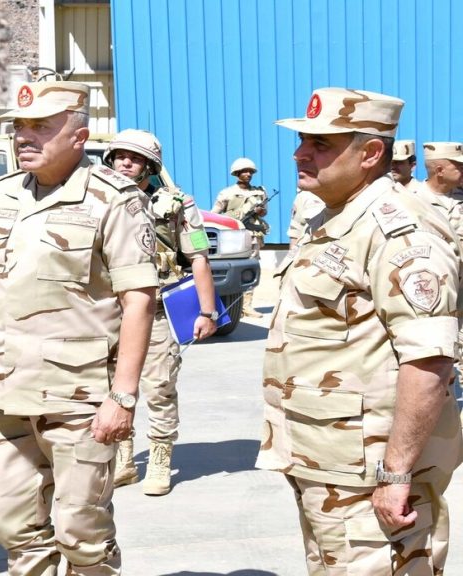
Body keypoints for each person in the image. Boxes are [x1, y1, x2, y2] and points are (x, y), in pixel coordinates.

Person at [0, 80, 158, 575]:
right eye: (19, 127)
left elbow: (139, 300)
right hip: (9, 389)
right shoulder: (3, 193)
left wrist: (124, 397)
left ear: (79, 136)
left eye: (41, 126)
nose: (24, 136)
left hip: (80, 397)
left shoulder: (114, 199)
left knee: (82, 533)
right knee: (12, 526)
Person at [257, 87, 463, 574]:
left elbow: (429, 360)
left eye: (320, 144)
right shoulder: (333, 216)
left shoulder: (400, 231)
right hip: (327, 459)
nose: (300, 153)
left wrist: (396, 474)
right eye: (302, 140)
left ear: (370, 153)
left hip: (370, 471)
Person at [102, 129, 217, 495]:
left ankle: (160, 458)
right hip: (108, 310)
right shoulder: (96, 198)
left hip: (157, 310)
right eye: (120, 156)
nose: (125, 162)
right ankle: (123, 458)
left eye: (135, 158)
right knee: (111, 385)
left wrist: (208, 311)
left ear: (150, 166)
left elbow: (198, 257)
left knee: (159, 387)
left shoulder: (176, 203)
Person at [213, 157, 267, 318]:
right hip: (233, 236)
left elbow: (265, 212)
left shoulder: (259, 192)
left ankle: (247, 306)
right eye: (244, 171)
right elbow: (215, 214)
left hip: (253, 235)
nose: (248, 174)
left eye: (250, 172)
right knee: (232, 269)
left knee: (251, 267)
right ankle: (230, 304)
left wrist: (260, 212)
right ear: (237, 173)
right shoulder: (227, 193)